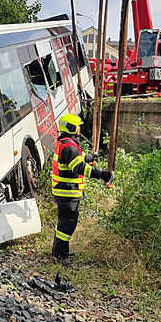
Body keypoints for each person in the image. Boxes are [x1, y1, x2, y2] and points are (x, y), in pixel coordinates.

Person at [51, 113, 113, 266]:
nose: (79, 128)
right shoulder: (69, 146)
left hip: (64, 191)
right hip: (67, 192)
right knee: (67, 224)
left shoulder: (65, 142)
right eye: (77, 126)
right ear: (71, 127)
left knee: (65, 223)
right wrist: (102, 175)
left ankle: (59, 250)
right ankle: (61, 256)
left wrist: (89, 157)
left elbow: (77, 157)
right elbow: (78, 167)